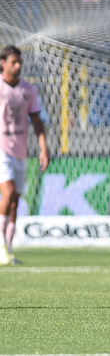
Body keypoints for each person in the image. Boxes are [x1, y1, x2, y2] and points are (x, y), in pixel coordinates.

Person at [0, 45, 50, 265]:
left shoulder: (28, 90)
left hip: (20, 151)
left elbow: (37, 122)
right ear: (3, 63)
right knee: (8, 192)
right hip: (2, 150)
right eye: (14, 62)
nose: (18, 66)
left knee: (14, 203)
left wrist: (44, 149)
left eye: (19, 62)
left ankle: (8, 249)